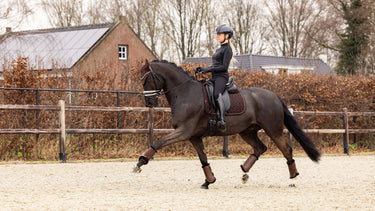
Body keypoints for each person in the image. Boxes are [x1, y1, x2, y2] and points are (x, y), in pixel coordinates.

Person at [195, 24, 233, 131]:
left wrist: (209, 69)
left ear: (227, 35)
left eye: (220, 34)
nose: (218, 36)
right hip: (214, 76)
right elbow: (215, 66)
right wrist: (203, 69)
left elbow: (224, 67)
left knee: (216, 94)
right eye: (217, 34)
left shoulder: (228, 49)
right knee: (204, 89)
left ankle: (222, 119)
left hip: (222, 77)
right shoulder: (218, 50)